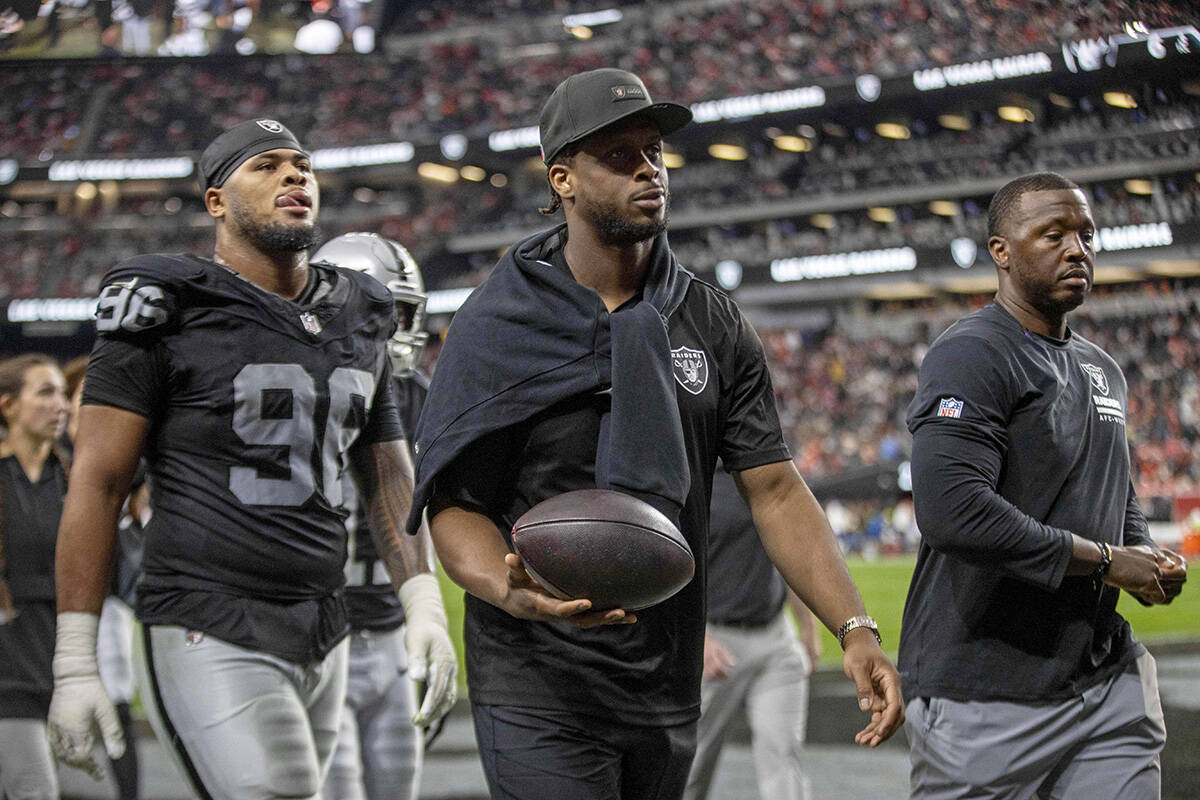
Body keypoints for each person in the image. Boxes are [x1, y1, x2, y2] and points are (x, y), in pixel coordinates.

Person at [408, 68, 903, 800]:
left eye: (653, 151)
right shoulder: (496, 322)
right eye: (619, 155)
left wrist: (855, 628)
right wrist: (508, 589)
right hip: (539, 679)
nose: (647, 168)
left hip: (665, 677)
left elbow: (774, 488)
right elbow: (453, 502)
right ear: (562, 179)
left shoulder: (712, 321)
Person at [46, 119, 458, 800]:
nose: (294, 175)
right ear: (216, 201)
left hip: (325, 623)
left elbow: (385, 469)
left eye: (302, 165)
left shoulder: (359, 308)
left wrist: (423, 605)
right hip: (209, 617)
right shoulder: (170, 301)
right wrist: (74, 659)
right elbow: (99, 480)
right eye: (265, 166)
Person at [901, 171, 1188, 799]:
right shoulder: (972, 353)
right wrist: (1108, 562)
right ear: (1001, 252)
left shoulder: (1101, 368)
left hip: (1105, 681)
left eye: (1086, 234)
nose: (1077, 249)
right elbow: (953, 512)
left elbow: (1116, 490)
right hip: (984, 690)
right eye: (1053, 234)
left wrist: (1144, 554)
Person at [312, 232, 434, 800]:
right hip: (321, 631)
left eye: (402, 313)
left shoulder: (417, 396)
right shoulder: (304, 387)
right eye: (382, 311)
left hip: (391, 627)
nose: (396, 329)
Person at [684, 465, 821, 800]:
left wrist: (808, 626)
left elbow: (790, 555)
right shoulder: (694, 478)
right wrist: (697, 637)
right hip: (714, 639)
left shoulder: (771, 470)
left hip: (776, 636)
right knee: (690, 767)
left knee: (785, 759)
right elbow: (671, 567)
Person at [62, 354, 143, 800]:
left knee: (116, 702)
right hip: (41, 603)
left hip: (105, 599)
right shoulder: (50, 459)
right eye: (81, 396)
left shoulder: (126, 459)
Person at [0, 354, 70, 800]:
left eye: (63, 393)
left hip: (54, 666)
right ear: (9, 406)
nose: (60, 405)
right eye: (45, 393)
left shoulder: (73, 479)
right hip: (8, 673)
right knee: (35, 790)